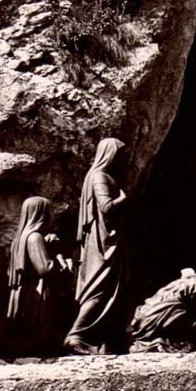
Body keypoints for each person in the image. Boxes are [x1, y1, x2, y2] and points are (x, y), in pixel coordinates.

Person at [64, 138, 130, 355]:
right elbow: (107, 207)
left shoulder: (99, 175)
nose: (123, 160)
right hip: (102, 244)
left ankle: (93, 337)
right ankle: (76, 335)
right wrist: (123, 198)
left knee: (107, 289)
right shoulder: (100, 176)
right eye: (120, 155)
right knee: (98, 288)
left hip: (106, 240)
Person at [5, 196, 74, 357]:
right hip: (37, 294)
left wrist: (48, 243)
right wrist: (64, 262)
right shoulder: (34, 237)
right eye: (49, 211)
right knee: (42, 334)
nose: (52, 214)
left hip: (24, 291)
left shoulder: (20, 237)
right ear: (40, 213)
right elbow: (45, 268)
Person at [128, 271, 196, 352]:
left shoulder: (186, 285)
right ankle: (162, 345)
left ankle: (156, 344)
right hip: (164, 312)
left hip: (144, 315)